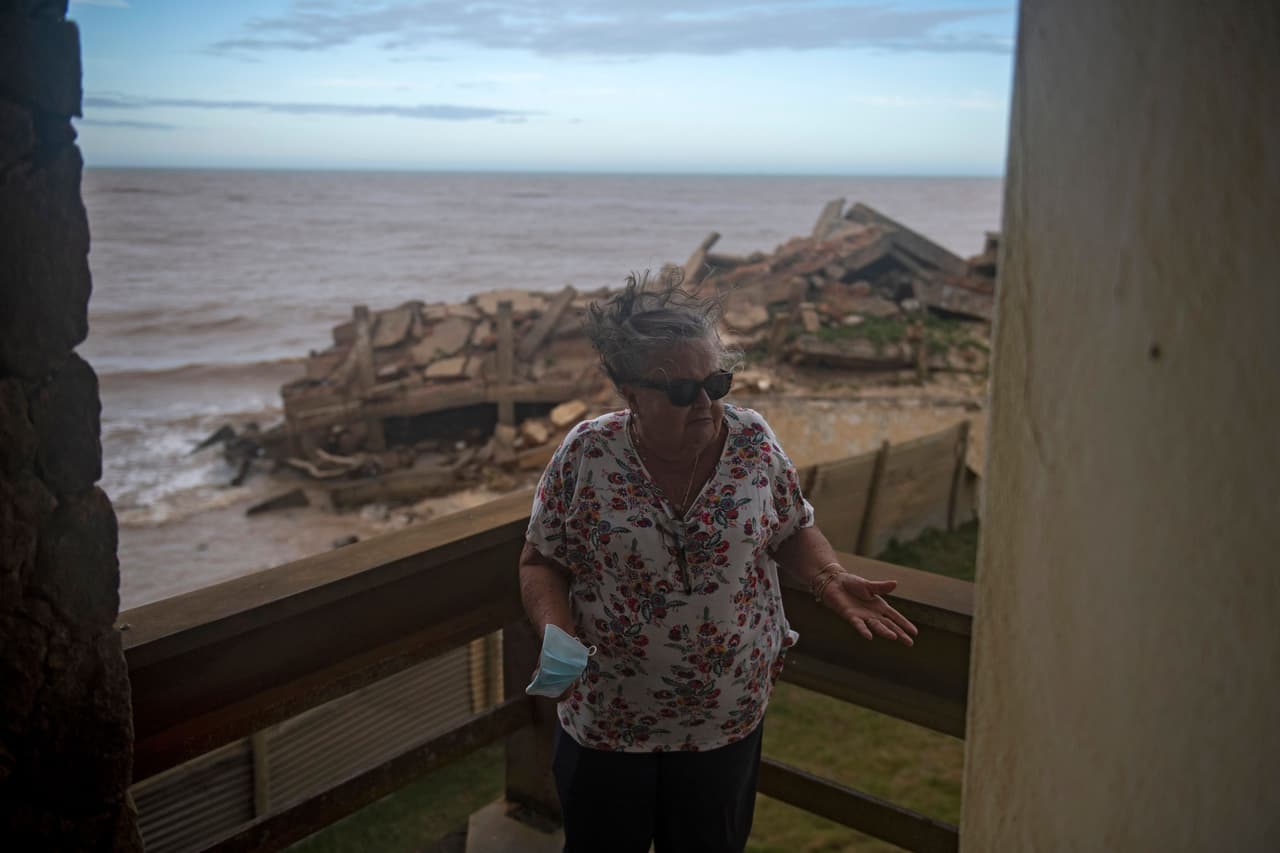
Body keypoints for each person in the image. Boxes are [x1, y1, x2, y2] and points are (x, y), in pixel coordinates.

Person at [519, 274, 918, 853]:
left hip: (726, 719)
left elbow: (793, 528)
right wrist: (555, 631)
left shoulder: (753, 440)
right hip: (607, 719)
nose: (705, 403)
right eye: (681, 391)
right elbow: (540, 559)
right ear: (630, 394)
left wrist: (829, 576)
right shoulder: (586, 453)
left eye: (716, 382)